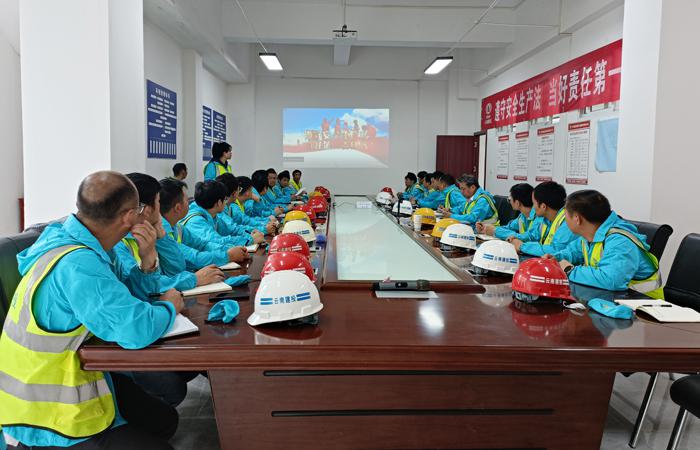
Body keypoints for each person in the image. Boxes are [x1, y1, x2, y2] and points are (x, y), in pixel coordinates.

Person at [0, 171, 182, 449]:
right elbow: (134, 328)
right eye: (140, 209)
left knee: (164, 421)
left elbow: (125, 298)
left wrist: (147, 262)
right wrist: (170, 306)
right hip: (48, 415)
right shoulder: (78, 264)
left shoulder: (88, 245)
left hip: (81, 375)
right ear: (128, 216)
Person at [114, 173, 224, 294]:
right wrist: (195, 279)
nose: (160, 208)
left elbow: (176, 269)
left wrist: (162, 238)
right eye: (158, 201)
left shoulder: (151, 231)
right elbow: (137, 286)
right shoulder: (118, 243)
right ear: (148, 210)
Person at [545, 190, 663, 298]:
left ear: (577, 219)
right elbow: (573, 252)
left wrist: (569, 270)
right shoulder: (589, 235)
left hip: (644, 307)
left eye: (565, 215)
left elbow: (611, 280)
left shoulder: (620, 242)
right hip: (612, 300)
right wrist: (556, 259)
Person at [158, 177, 248, 274]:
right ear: (178, 208)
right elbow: (193, 258)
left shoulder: (177, 226)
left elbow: (202, 244)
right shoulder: (161, 232)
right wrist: (227, 256)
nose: (190, 203)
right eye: (187, 200)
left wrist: (229, 249)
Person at [179, 180, 253, 252]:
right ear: (219, 202)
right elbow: (216, 241)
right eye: (225, 199)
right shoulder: (195, 221)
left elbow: (231, 230)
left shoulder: (212, 215)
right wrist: (248, 240)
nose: (226, 203)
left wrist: (251, 235)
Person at [508, 181, 577, 256]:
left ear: (543, 206)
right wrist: (517, 237)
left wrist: (522, 246)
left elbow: (555, 250)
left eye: (534, 203)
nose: (533, 207)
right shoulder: (546, 219)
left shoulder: (567, 222)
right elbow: (533, 235)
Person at [215, 173, 268, 240]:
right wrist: (262, 229)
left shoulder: (229, 206)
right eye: (239, 189)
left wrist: (265, 224)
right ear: (234, 193)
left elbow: (243, 222)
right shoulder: (231, 207)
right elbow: (235, 228)